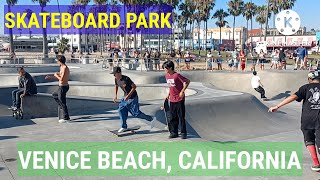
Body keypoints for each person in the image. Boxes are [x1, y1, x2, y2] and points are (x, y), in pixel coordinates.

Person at [268, 70, 320, 171]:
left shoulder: (305, 87)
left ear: (309, 79)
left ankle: (316, 163)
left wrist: (277, 106)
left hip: (307, 119)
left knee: (309, 140)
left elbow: (293, 97)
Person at [112, 67, 156, 133]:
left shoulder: (126, 79)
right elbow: (116, 86)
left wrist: (128, 96)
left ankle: (151, 119)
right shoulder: (116, 79)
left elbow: (134, 87)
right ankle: (124, 126)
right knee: (121, 110)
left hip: (133, 98)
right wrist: (115, 95)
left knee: (136, 114)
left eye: (115, 74)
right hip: (125, 97)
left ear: (119, 73)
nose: (114, 75)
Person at [162, 60, 190, 139]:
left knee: (181, 116)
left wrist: (182, 91)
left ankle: (183, 133)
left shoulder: (177, 75)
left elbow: (187, 81)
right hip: (172, 99)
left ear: (170, 68)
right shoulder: (167, 76)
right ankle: (174, 132)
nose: (165, 70)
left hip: (179, 99)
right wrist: (168, 95)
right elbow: (171, 86)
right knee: (172, 117)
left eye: (166, 68)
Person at [45, 55, 70, 123]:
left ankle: (66, 117)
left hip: (64, 86)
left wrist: (56, 75)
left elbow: (61, 79)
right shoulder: (61, 67)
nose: (57, 62)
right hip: (61, 86)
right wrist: (51, 77)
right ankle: (61, 106)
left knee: (63, 102)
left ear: (60, 61)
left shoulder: (64, 67)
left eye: (57, 61)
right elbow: (61, 75)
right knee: (54, 95)